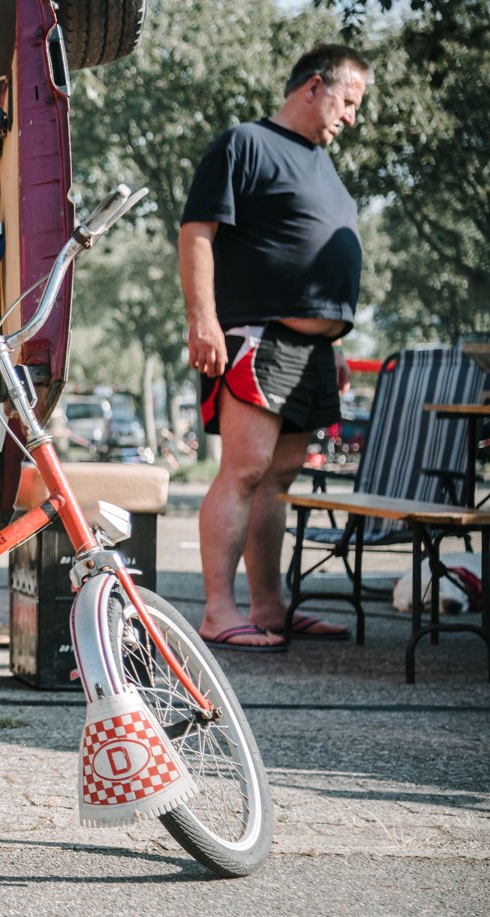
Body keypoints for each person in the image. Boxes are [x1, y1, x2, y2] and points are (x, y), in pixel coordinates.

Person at [180, 44, 371, 651]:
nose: (351, 118)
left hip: (312, 351)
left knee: (278, 477)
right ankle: (217, 610)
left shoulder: (323, 163)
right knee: (245, 470)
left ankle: (268, 607)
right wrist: (202, 319)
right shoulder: (245, 143)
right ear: (314, 87)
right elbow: (197, 231)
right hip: (255, 337)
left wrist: (333, 341)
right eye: (348, 102)